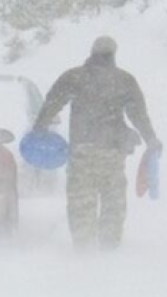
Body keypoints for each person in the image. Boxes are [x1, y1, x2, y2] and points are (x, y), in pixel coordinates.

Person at [32, 36, 160, 250]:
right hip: (112, 152)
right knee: (113, 201)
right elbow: (139, 115)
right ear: (114, 55)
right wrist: (151, 139)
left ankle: (84, 251)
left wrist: (40, 128)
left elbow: (53, 102)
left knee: (81, 202)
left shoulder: (74, 77)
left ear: (92, 52)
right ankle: (109, 248)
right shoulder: (125, 80)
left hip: (82, 151)